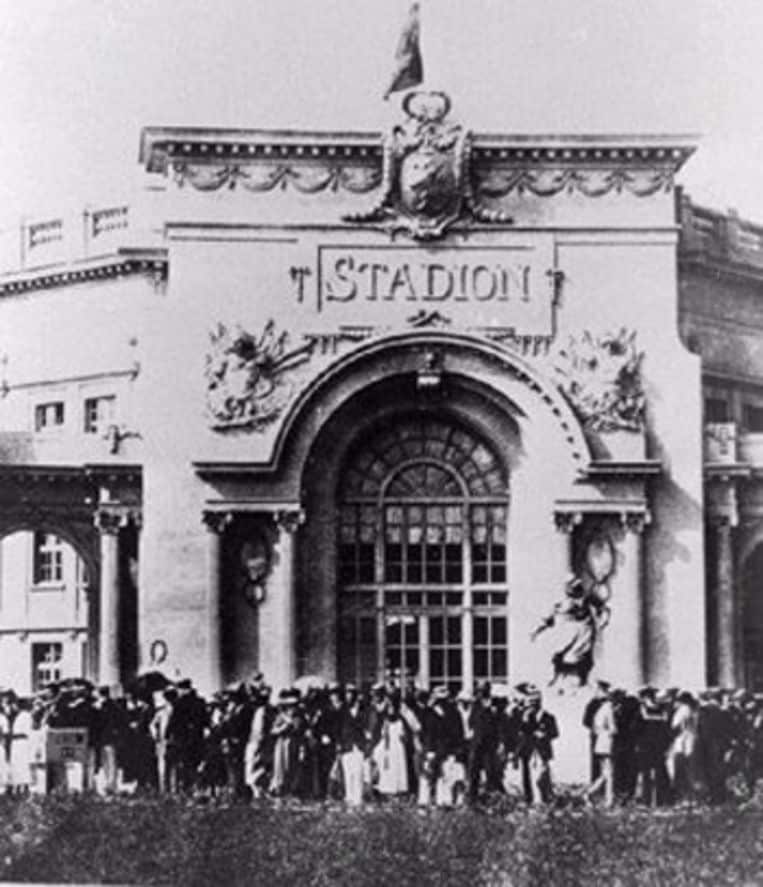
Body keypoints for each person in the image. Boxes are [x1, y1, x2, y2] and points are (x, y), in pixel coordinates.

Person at [531, 574, 610, 688]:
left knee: (577, 659)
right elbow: (547, 618)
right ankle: (555, 680)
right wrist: (537, 631)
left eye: (577, 585)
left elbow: (603, 610)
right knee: (556, 656)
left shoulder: (586, 599)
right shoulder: (561, 602)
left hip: (582, 633)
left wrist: (602, 622)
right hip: (564, 633)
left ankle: (579, 681)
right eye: (571, 585)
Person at [517, 686, 559, 804]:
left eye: (535, 702)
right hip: (529, 749)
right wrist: (525, 721)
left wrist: (544, 734)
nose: (532, 705)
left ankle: (544, 797)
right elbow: (522, 731)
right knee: (527, 775)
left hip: (542, 749)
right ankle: (529, 798)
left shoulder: (548, 717)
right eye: (530, 702)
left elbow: (555, 733)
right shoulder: (526, 716)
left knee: (542, 775)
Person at [585, 680, 616, 807]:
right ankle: (608, 799)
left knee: (605, 773)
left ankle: (590, 793)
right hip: (607, 742)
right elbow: (613, 728)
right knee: (609, 774)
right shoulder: (608, 708)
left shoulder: (599, 710)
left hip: (600, 742)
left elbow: (594, 726)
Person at [337, 684, 366, 806]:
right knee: (348, 772)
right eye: (347, 694)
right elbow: (337, 728)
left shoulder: (363, 709)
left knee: (358, 771)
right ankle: (349, 796)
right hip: (346, 744)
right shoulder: (342, 710)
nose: (349, 696)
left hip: (358, 744)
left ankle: (358, 797)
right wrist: (339, 743)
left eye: (351, 694)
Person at [668, 690, 699, 802]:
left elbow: (674, 726)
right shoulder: (693, 710)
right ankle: (692, 798)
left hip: (682, 740)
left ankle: (684, 797)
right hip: (692, 739)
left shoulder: (682, 710)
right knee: (691, 769)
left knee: (680, 769)